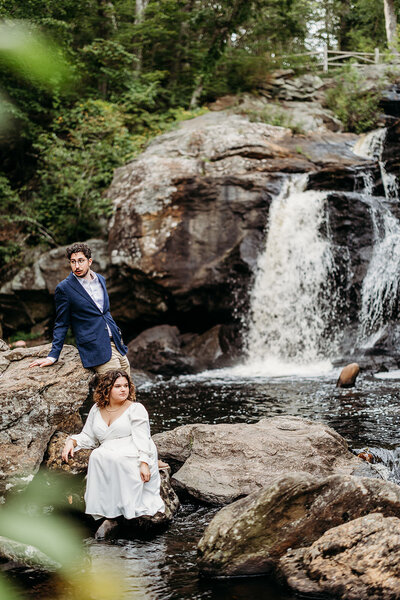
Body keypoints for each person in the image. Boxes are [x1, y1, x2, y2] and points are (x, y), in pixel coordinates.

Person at [61, 370, 165, 533]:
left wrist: (144, 462)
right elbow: (89, 436)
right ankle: (105, 510)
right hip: (109, 448)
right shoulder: (97, 409)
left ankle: (123, 510)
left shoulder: (136, 409)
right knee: (97, 455)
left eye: (126, 386)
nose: (123, 390)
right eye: (118, 386)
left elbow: (143, 438)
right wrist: (72, 441)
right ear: (106, 389)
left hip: (133, 447)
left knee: (115, 458)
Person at [29, 242, 129, 374]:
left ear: (90, 261)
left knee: (128, 389)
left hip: (116, 343)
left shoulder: (100, 279)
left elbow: (104, 312)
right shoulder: (64, 288)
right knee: (113, 388)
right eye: (73, 262)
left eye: (81, 261)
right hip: (96, 348)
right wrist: (53, 356)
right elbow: (61, 323)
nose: (77, 266)